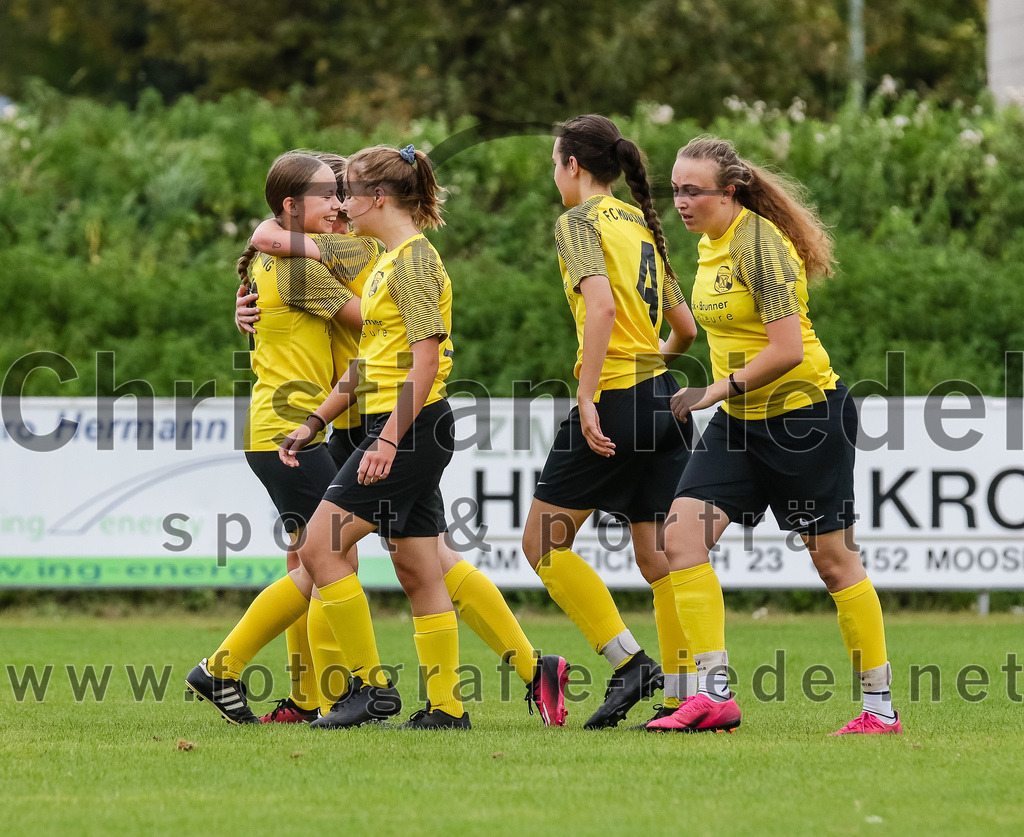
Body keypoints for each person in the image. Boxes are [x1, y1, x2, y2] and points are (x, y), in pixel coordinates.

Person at [252, 148, 571, 728]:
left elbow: (423, 365)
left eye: (348, 191)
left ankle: (369, 691)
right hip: (390, 423)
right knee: (421, 568)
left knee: (322, 549)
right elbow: (371, 362)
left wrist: (388, 440)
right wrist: (316, 422)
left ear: (378, 199)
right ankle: (447, 708)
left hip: (411, 427)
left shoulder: (416, 262)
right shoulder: (385, 263)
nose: (343, 203)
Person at [648, 135, 902, 735]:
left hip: (805, 416)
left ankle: (879, 709)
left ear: (729, 192)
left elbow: (787, 350)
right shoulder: (711, 243)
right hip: (743, 422)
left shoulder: (759, 244)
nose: (681, 202)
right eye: (676, 190)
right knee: (681, 540)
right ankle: (713, 696)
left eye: (694, 191)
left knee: (834, 563)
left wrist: (709, 392)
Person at [521, 115, 699, 729]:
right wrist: (650, 372)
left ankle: (629, 663)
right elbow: (686, 329)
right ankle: (683, 696)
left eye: (554, 163)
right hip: (663, 399)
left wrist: (590, 395)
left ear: (573, 165)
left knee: (542, 544)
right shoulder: (641, 224)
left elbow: (599, 307)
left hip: (619, 397)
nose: (555, 176)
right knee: (660, 560)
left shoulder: (577, 222)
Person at [185, 151, 369, 725]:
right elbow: (372, 319)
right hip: (291, 432)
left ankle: (306, 698)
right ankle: (227, 668)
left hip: (279, 429)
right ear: (292, 207)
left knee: (310, 560)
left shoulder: (277, 257)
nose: (338, 204)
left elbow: (266, 240)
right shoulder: (299, 268)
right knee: (328, 560)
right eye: (326, 196)